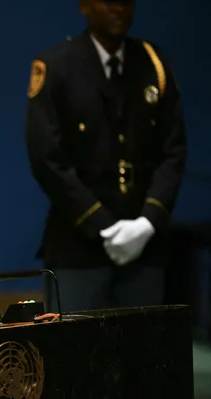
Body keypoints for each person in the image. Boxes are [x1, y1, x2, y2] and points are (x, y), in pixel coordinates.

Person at [24, 0, 187, 312]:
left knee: (145, 351)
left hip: (145, 245)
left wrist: (148, 222)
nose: (119, 9)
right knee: (74, 351)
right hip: (78, 243)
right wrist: (104, 225)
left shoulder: (154, 63)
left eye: (126, 1)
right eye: (108, 1)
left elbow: (173, 150)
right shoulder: (57, 65)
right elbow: (46, 158)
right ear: (85, 6)